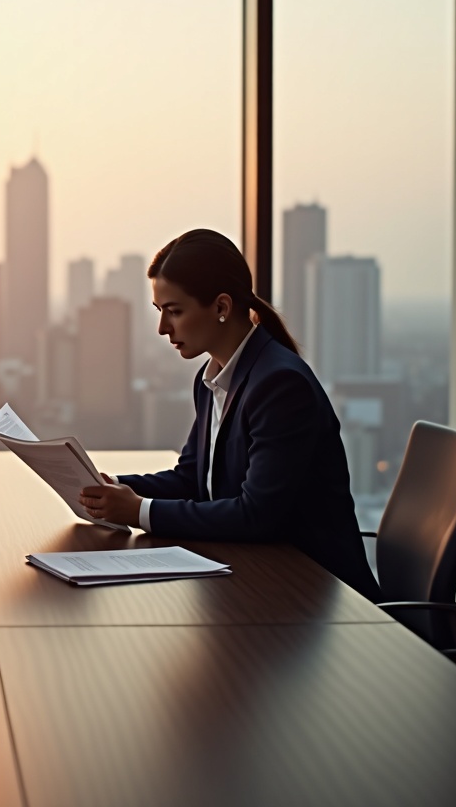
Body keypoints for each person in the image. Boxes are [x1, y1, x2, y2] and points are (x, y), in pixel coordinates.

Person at [77, 229, 383, 601]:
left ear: (221, 307)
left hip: (318, 596)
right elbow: (194, 477)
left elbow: (256, 514)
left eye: (174, 311)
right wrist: (111, 487)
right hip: (264, 577)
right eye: (159, 312)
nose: (162, 328)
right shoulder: (212, 379)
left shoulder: (280, 385)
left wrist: (139, 510)